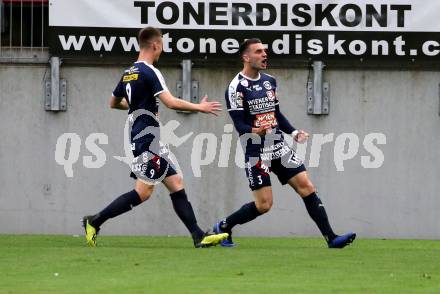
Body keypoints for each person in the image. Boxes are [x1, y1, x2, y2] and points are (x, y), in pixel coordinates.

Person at [82, 27, 228, 248]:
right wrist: (199, 107)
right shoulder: (150, 71)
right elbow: (170, 102)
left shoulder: (128, 72)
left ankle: (198, 235)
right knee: (143, 192)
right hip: (146, 139)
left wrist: (137, 107)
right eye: (162, 46)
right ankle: (94, 221)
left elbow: (113, 103)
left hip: (148, 138)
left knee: (176, 182)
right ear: (155, 45)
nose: (162, 50)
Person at [213, 38, 355, 248]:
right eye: (258, 51)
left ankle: (331, 238)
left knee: (307, 187)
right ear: (246, 57)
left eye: (265, 51)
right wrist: (255, 130)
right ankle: (224, 226)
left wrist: (294, 132)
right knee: (264, 205)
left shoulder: (269, 81)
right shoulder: (235, 87)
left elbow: (276, 114)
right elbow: (239, 125)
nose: (264, 55)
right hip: (256, 152)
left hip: (278, 146)